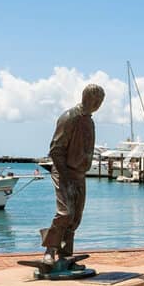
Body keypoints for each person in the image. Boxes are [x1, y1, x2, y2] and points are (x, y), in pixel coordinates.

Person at [41, 84, 105, 267]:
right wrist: (66, 176)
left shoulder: (89, 121)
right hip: (64, 172)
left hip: (79, 174)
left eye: (101, 101)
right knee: (65, 213)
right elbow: (56, 149)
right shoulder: (69, 118)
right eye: (96, 100)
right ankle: (50, 250)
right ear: (86, 98)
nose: (98, 104)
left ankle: (65, 255)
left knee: (76, 217)